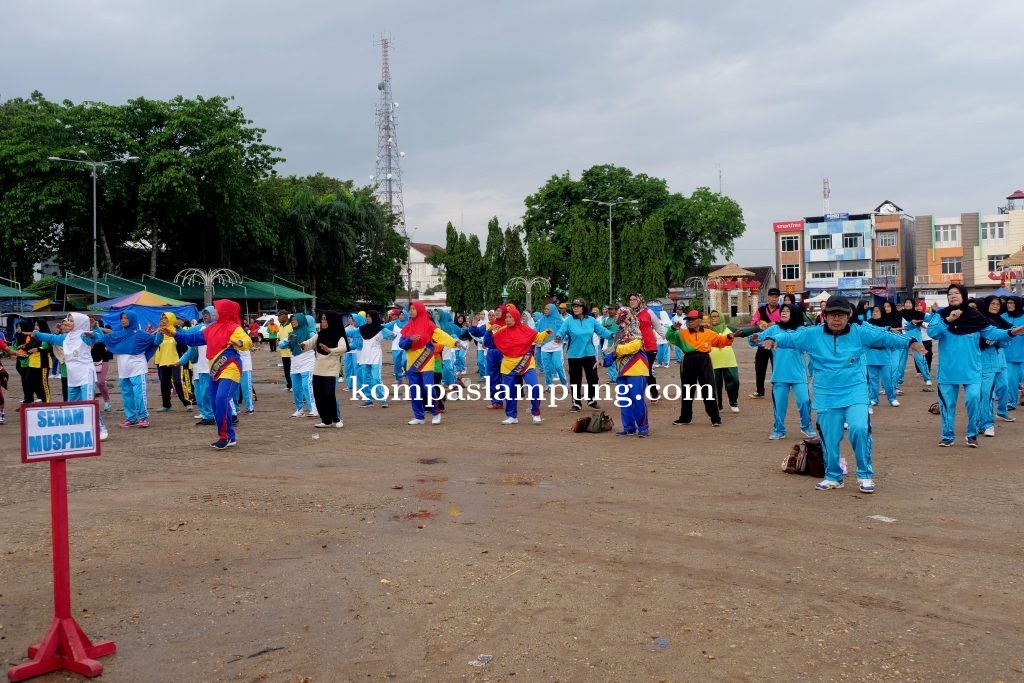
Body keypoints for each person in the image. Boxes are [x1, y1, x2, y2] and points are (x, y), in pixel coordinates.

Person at [760, 295, 926, 493]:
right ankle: (833, 475)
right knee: (830, 436)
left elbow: (885, 336)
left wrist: (910, 342)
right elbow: (789, 337)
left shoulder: (859, 332)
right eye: (832, 315)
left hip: (854, 389)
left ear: (849, 316)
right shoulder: (812, 334)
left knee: (859, 428)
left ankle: (865, 475)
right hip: (825, 393)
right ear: (825, 316)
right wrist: (771, 338)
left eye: (841, 315)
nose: (836, 319)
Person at [926, 284, 1024, 447]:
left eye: (956, 293)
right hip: (947, 371)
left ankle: (972, 434)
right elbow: (932, 333)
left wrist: (1011, 332)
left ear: (963, 295)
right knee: (947, 405)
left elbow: (992, 332)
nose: (953, 296)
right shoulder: (941, 315)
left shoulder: (975, 316)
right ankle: (948, 435)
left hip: (972, 370)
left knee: (973, 399)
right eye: (950, 294)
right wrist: (949, 320)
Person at [164, 300, 252, 449]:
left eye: (216, 310)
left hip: (230, 368)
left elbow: (247, 341)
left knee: (221, 399)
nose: (214, 312)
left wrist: (239, 342)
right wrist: (174, 334)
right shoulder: (210, 329)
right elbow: (192, 339)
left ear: (224, 311)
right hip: (214, 371)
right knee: (217, 404)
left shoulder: (233, 327)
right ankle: (230, 436)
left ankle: (223, 437)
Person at [31, 313, 108, 441]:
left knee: (89, 403)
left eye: (72, 321)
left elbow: (99, 338)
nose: (68, 322)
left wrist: (95, 329)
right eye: (68, 320)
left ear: (79, 322)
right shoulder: (65, 337)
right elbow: (51, 338)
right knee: (73, 404)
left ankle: (100, 428)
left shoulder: (84, 335)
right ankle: (79, 429)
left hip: (86, 374)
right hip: (73, 376)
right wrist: (38, 334)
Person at [666, 310, 734, 427]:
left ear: (699, 320)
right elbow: (669, 336)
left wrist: (729, 337)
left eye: (692, 319)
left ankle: (715, 418)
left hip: (704, 360)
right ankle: (685, 418)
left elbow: (720, 341)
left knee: (708, 389)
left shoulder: (708, 333)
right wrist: (673, 328)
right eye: (688, 320)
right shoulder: (682, 333)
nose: (690, 322)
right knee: (687, 390)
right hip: (688, 361)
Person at [489, 303, 552, 425]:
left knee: (534, 387)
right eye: (506, 317)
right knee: (510, 392)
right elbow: (491, 342)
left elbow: (537, 338)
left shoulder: (525, 329)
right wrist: (488, 331)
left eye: (510, 317)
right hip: (508, 366)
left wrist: (546, 333)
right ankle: (512, 416)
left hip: (526, 364)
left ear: (516, 318)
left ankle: (536, 413)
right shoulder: (501, 331)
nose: (508, 320)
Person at [759, 304, 815, 440]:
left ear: (795, 313)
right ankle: (779, 429)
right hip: (779, 374)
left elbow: (812, 350)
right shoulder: (773, 329)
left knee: (804, 401)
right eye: (782, 311)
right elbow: (759, 338)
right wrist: (754, 339)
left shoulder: (801, 332)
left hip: (798, 374)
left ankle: (806, 426)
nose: (783, 313)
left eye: (787, 311)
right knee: (779, 404)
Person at [398, 300, 457, 425]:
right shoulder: (407, 327)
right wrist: (409, 339)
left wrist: (454, 342)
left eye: (413, 309)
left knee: (428, 388)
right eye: (410, 309)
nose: (411, 311)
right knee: (414, 390)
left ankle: (435, 413)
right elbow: (401, 344)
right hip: (412, 363)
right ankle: (419, 416)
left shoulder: (429, 325)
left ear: (419, 309)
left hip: (426, 361)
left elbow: (441, 336)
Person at [555, 297, 613, 412]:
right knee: (575, 380)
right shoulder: (569, 321)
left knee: (593, 378)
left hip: (589, 354)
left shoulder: (591, 320)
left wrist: (612, 335)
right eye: (574, 306)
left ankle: (592, 400)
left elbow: (601, 331)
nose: (575, 308)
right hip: (574, 355)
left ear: (583, 308)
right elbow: (561, 331)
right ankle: (576, 403)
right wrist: (559, 336)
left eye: (578, 306)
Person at [102, 311, 158, 427]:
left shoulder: (140, 334)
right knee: (126, 395)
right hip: (123, 371)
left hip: (138, 369)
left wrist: (161, 333)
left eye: (126, 318)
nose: (123, 320)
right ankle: (131, 418)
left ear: (132, 319)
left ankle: (143, 417)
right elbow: (103, 337)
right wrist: (96, 330)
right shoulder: (119, 335)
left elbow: (156, 341)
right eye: (122, 318)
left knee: (139, 394)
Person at [606, 306, 650, 436]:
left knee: (637, 400)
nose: (616, 317)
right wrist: (605, 360)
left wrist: (616, 349)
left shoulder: (634, 328)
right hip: (622, 370)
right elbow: (614, 352)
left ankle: (643, 428)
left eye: (620, 315)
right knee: (624, 401)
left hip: (637, 368)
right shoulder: (619, 332)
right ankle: (629, 427)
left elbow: (635, 346)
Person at [300, 310, 348, 428]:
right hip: (318, 369)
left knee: (329, 394)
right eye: (321, 319)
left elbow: (344, 348)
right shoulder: (319, 334)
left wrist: (330, 350)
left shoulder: (338, 335)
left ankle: (336, 419)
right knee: (319, 395)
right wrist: (302, 345)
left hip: (331, 369)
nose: (323, 321)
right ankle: (326, 420)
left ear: (332, 320)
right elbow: (309, 344)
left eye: (325, 319)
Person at [978, 295, 1010, 437]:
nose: (995, 306)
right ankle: (985, 423)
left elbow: (1005, 341)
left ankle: (999, 414)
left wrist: (997, 339)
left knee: (1003, 386)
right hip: (984, 361)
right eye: (993, 303)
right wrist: (985, 341)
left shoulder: (1002, 322)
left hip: (999, 359)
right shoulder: (980, 320)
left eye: (998, 304)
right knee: (985, 394)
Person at [280, 313, 318, 417]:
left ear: (301, 321)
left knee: (306, 386)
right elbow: (281, 345)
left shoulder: (310, 333)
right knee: (296, 387)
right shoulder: (292, 334)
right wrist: (288, 339)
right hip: (295, 362)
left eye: (295, 320)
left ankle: (313, 409)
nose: (293, 322)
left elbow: (316, 342)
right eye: (292, 321)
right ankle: (300, 409)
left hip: (307, 361)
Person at [154, 312, 193, 412]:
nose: (163, 320)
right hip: (163, 361)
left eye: (166, 318)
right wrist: (159, 332)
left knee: (178, 381)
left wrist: (179, 328)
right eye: (162, 318)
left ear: (171, 319)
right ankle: (166, 405)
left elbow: (186, 337)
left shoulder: (176, 330)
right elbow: (156, 342)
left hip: (176, 361)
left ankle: (187, 402)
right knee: (164, 383)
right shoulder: (160, 331)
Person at [749, 287, 782, 398]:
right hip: (762, 343)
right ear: (768, 297)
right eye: (771, 296)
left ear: (778, 298)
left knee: (776, 367)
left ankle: (777, 389)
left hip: (776, 344)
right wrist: (758, 323)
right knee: (759, 366)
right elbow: (753, 323)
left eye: (776, 297)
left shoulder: (782, 310)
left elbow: (786, 323)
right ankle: (759, 390)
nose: (773, 299)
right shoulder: (761, 310)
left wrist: (776, 323)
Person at [865, 306, 900, 409]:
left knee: (887, 379)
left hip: (884, 355)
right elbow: (868, 338)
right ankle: (874, 399)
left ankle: (892, 398)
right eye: (873, 312)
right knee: (873, 380)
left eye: (877, 311)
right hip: (871, 356)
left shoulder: (887, 324)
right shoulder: (868, 324)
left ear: (881, 312)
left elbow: (888, 338)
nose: (874, 313)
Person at [707, 310, 741, 413]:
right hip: (713, 361)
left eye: (716, 316)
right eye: (712, 316)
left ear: (721, 317)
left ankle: (733, 402)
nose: (714, 318)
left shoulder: (728, 328)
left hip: (729, 360)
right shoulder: (707, 330)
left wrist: (758, 328)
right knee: (715, 385)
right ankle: (718, 405)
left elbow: (743, 332)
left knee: (734, 382)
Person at [357, 310, 388, 407]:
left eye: (370, 316)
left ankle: (382, 399)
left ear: (374, 317)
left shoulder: (381, 329)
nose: (368, 318)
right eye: (367, 316)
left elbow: (393, 334)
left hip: (375, 357)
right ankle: (368, 400)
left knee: (375, 379)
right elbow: (351, 334)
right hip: (364, 357)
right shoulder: (361, 329)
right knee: (365, 380)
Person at [899, 299, 932, 390]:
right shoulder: (900, 313)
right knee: (901, 361)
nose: (908, 304)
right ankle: (899, 379)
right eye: (906, 302)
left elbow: (929, 318)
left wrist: (933, 311)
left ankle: (927, 378)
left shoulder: (917, 314)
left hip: (916, 339)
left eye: (910, 303)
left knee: (920, 359)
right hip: (903, 339)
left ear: (913, 304)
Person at [536, 303, 568, 389]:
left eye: (547, 309)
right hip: (544, 348)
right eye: (545, 309)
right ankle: (548, 386)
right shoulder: (542, 320)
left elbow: (565, 332)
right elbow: (536, 331)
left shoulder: (559, 320)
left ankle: (565, 384)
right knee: (547, 368)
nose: (545, 311)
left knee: (558, 366)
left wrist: (561, 337)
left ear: (553, 310)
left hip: (556, 347)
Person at [1003, 295, 1024, 413]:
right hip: (1008, 356)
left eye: (1012, 303)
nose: (1009, 305)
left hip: (1023, 354)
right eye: (1008, 303)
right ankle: (1011, 402)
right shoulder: (1002, 317)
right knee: (1011, 380)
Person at [276, 310, 293, 390]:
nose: (278, 318)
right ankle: (289, 385)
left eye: (279, 316)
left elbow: (292, 339)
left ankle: (293, 385)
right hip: (283, 353)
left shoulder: (291, 326)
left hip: (290, 353)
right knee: (286, 371)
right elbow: (280, 337)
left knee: (291, 371)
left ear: (285, 316)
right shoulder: (281, 326)